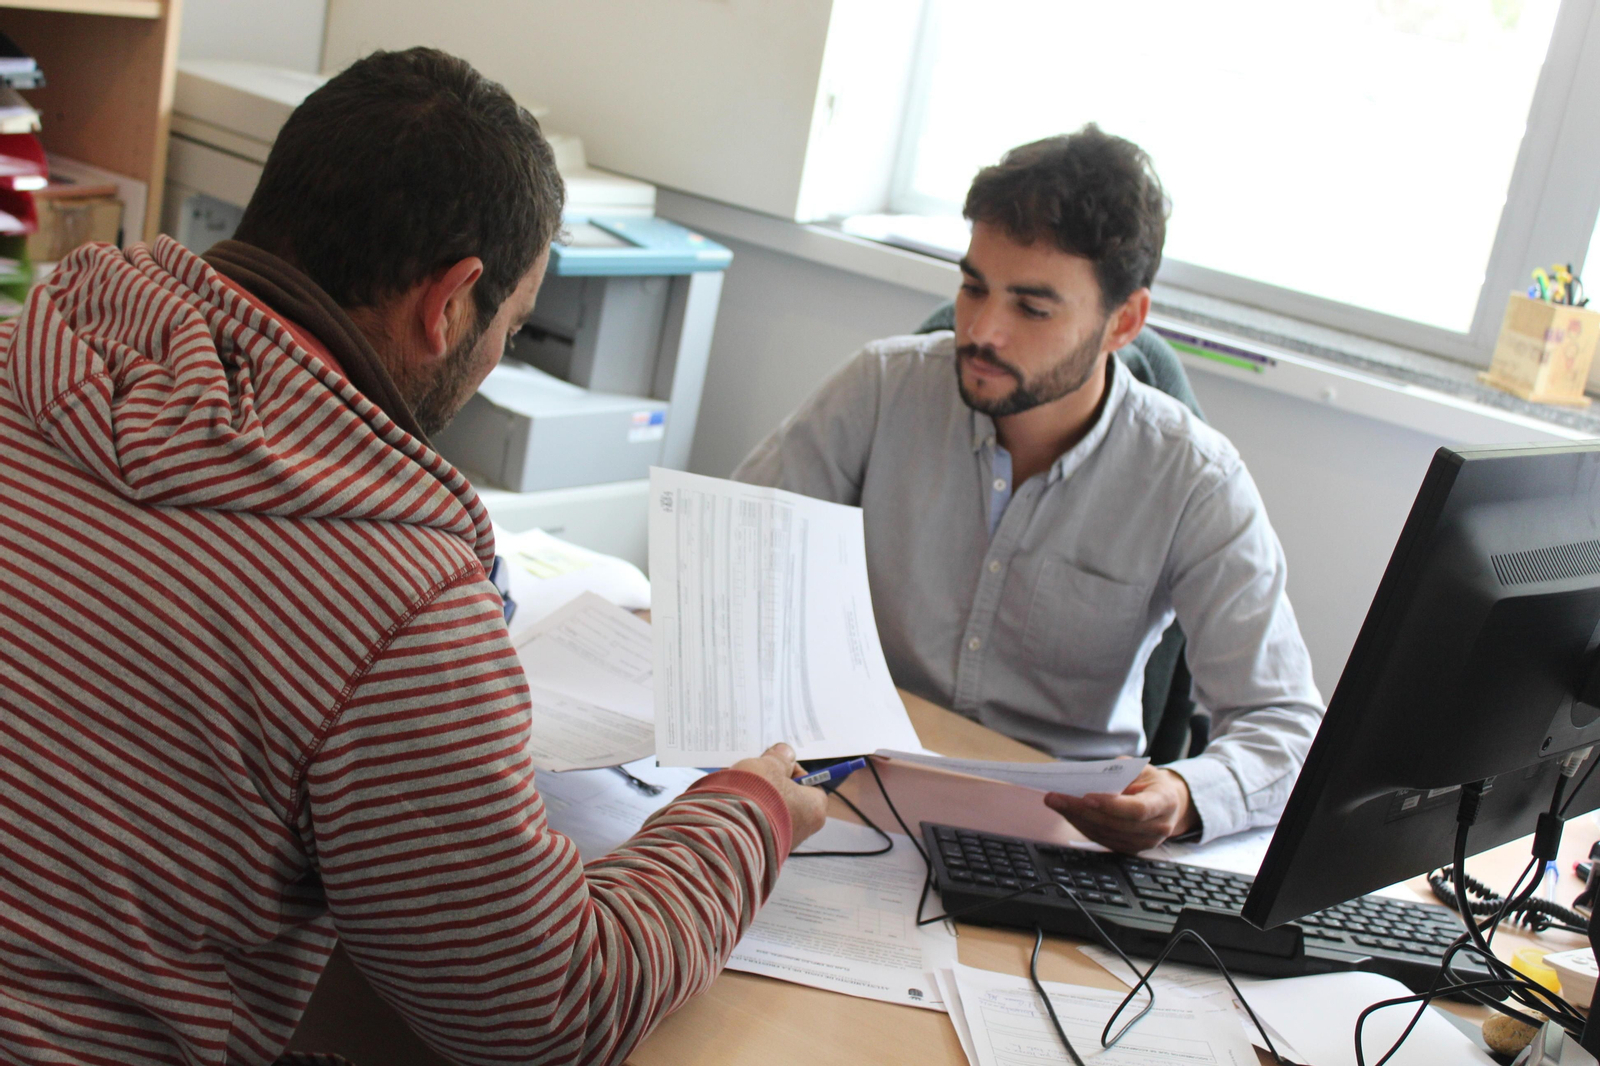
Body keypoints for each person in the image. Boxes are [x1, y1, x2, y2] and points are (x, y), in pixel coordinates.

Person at [0, 48, 825, 1066]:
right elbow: (542, 1014)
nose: (494, 359)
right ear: (450, 303)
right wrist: (746, 814)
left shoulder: (23, 355)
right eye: (511, 328)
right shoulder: (392, 594)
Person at [736, 126, 1323, 854]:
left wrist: (1181, 795)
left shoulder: (1194, 478)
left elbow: (1287, 727)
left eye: (1032, 309)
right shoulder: (881, 388)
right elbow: (736, 563)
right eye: (973, 287)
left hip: (1052, 834)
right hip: (852, 793)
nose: (981, 330)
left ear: (1125, 322)